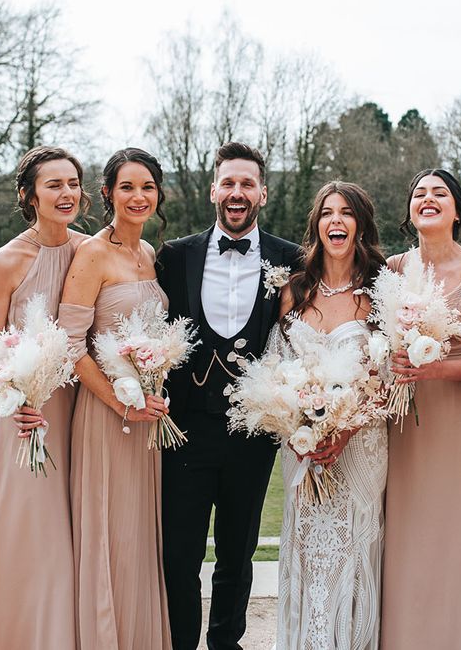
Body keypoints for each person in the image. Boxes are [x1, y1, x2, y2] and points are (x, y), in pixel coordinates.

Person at [156, 141, 302, 650]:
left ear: (263, 192)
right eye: (228, 183)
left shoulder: (292, 259)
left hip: (253, 430)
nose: (237, 193)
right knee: (180, 550)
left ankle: (226, 642)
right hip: (184, 429)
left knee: (238, 549)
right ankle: (180, 643)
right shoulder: (174, 257)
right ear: (212, 189)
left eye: (247, 184)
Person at [0, 146, 89, 650]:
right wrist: (18, 397)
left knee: (69, 531)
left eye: (73, 183)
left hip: (76, 410)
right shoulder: (6, 260)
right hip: (24, 417)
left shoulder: (87, 251)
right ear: (28, 195)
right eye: (54, 184)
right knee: (29, 532)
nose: (66, 193)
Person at [380, 168, 461, 649]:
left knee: (455, 533)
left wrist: (439, 370)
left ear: (457, 210)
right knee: (406, 536)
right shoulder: (393, 268)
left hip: (459, 424)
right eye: (418, 193)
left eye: (439, 193)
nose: (427, 199)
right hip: (403, 425)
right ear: (410, 210)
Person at [58, 148, 172, 649]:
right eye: (127, 187)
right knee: (110, 535)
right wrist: (122, 402)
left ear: (158, 194)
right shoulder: (92, 254)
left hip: (147, 417)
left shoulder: (148, 255)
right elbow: (69, 343)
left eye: (146, 187)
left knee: (139, 541)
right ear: (107, 193)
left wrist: (149, 391)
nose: (138, 196)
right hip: (108, 418)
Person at [274, 181, 387, 650]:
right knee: (306, 548)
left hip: (361, 443)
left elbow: (388, 379)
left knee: (353, 550)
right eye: (326, 212)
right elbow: (277, 371)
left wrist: (343, 429)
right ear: (316, 224)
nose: (335, 221)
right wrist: (302, 426)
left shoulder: (380, 291)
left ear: (360, 224)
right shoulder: (293, 290)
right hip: (303, 447)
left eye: (346, 213)